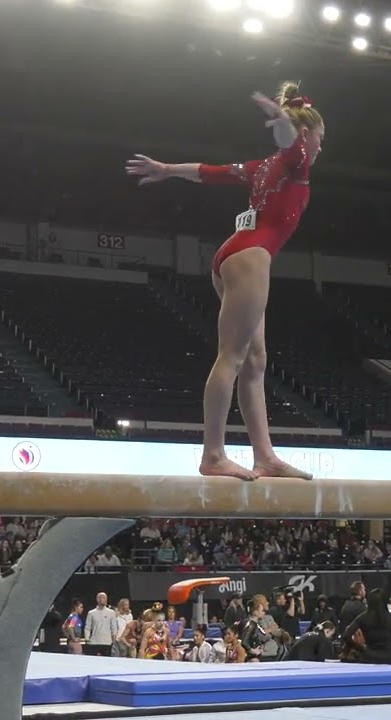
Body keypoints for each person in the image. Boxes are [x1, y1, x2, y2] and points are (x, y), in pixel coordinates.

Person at [126, 82, 325, 482]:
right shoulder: (295, 160)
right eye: (321, 138)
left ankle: (265, 456)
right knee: (232, 357)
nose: (321, 147)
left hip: (234, 255)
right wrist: (284, 121)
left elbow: (209, 173)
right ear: (308, 135)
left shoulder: (263, 167)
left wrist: (168, 170)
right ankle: (213, 454)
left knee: (255, 361)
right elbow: (291, 143)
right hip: (250, 258)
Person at [342, 588, 391, 665]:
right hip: (388, 658)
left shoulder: (362, 618)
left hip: (369, 658)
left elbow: (346, 636)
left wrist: (361, 647)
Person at [84, 592, 117, 657]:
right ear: (98, 599)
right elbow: (87, 627)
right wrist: (87, 639)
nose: (105, 600)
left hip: (107, 642)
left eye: (105, 598)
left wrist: (114, 640)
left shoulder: (111, 612)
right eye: (103, 598)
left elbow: (114, 627)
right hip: (94, 642)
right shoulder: (91, 613)